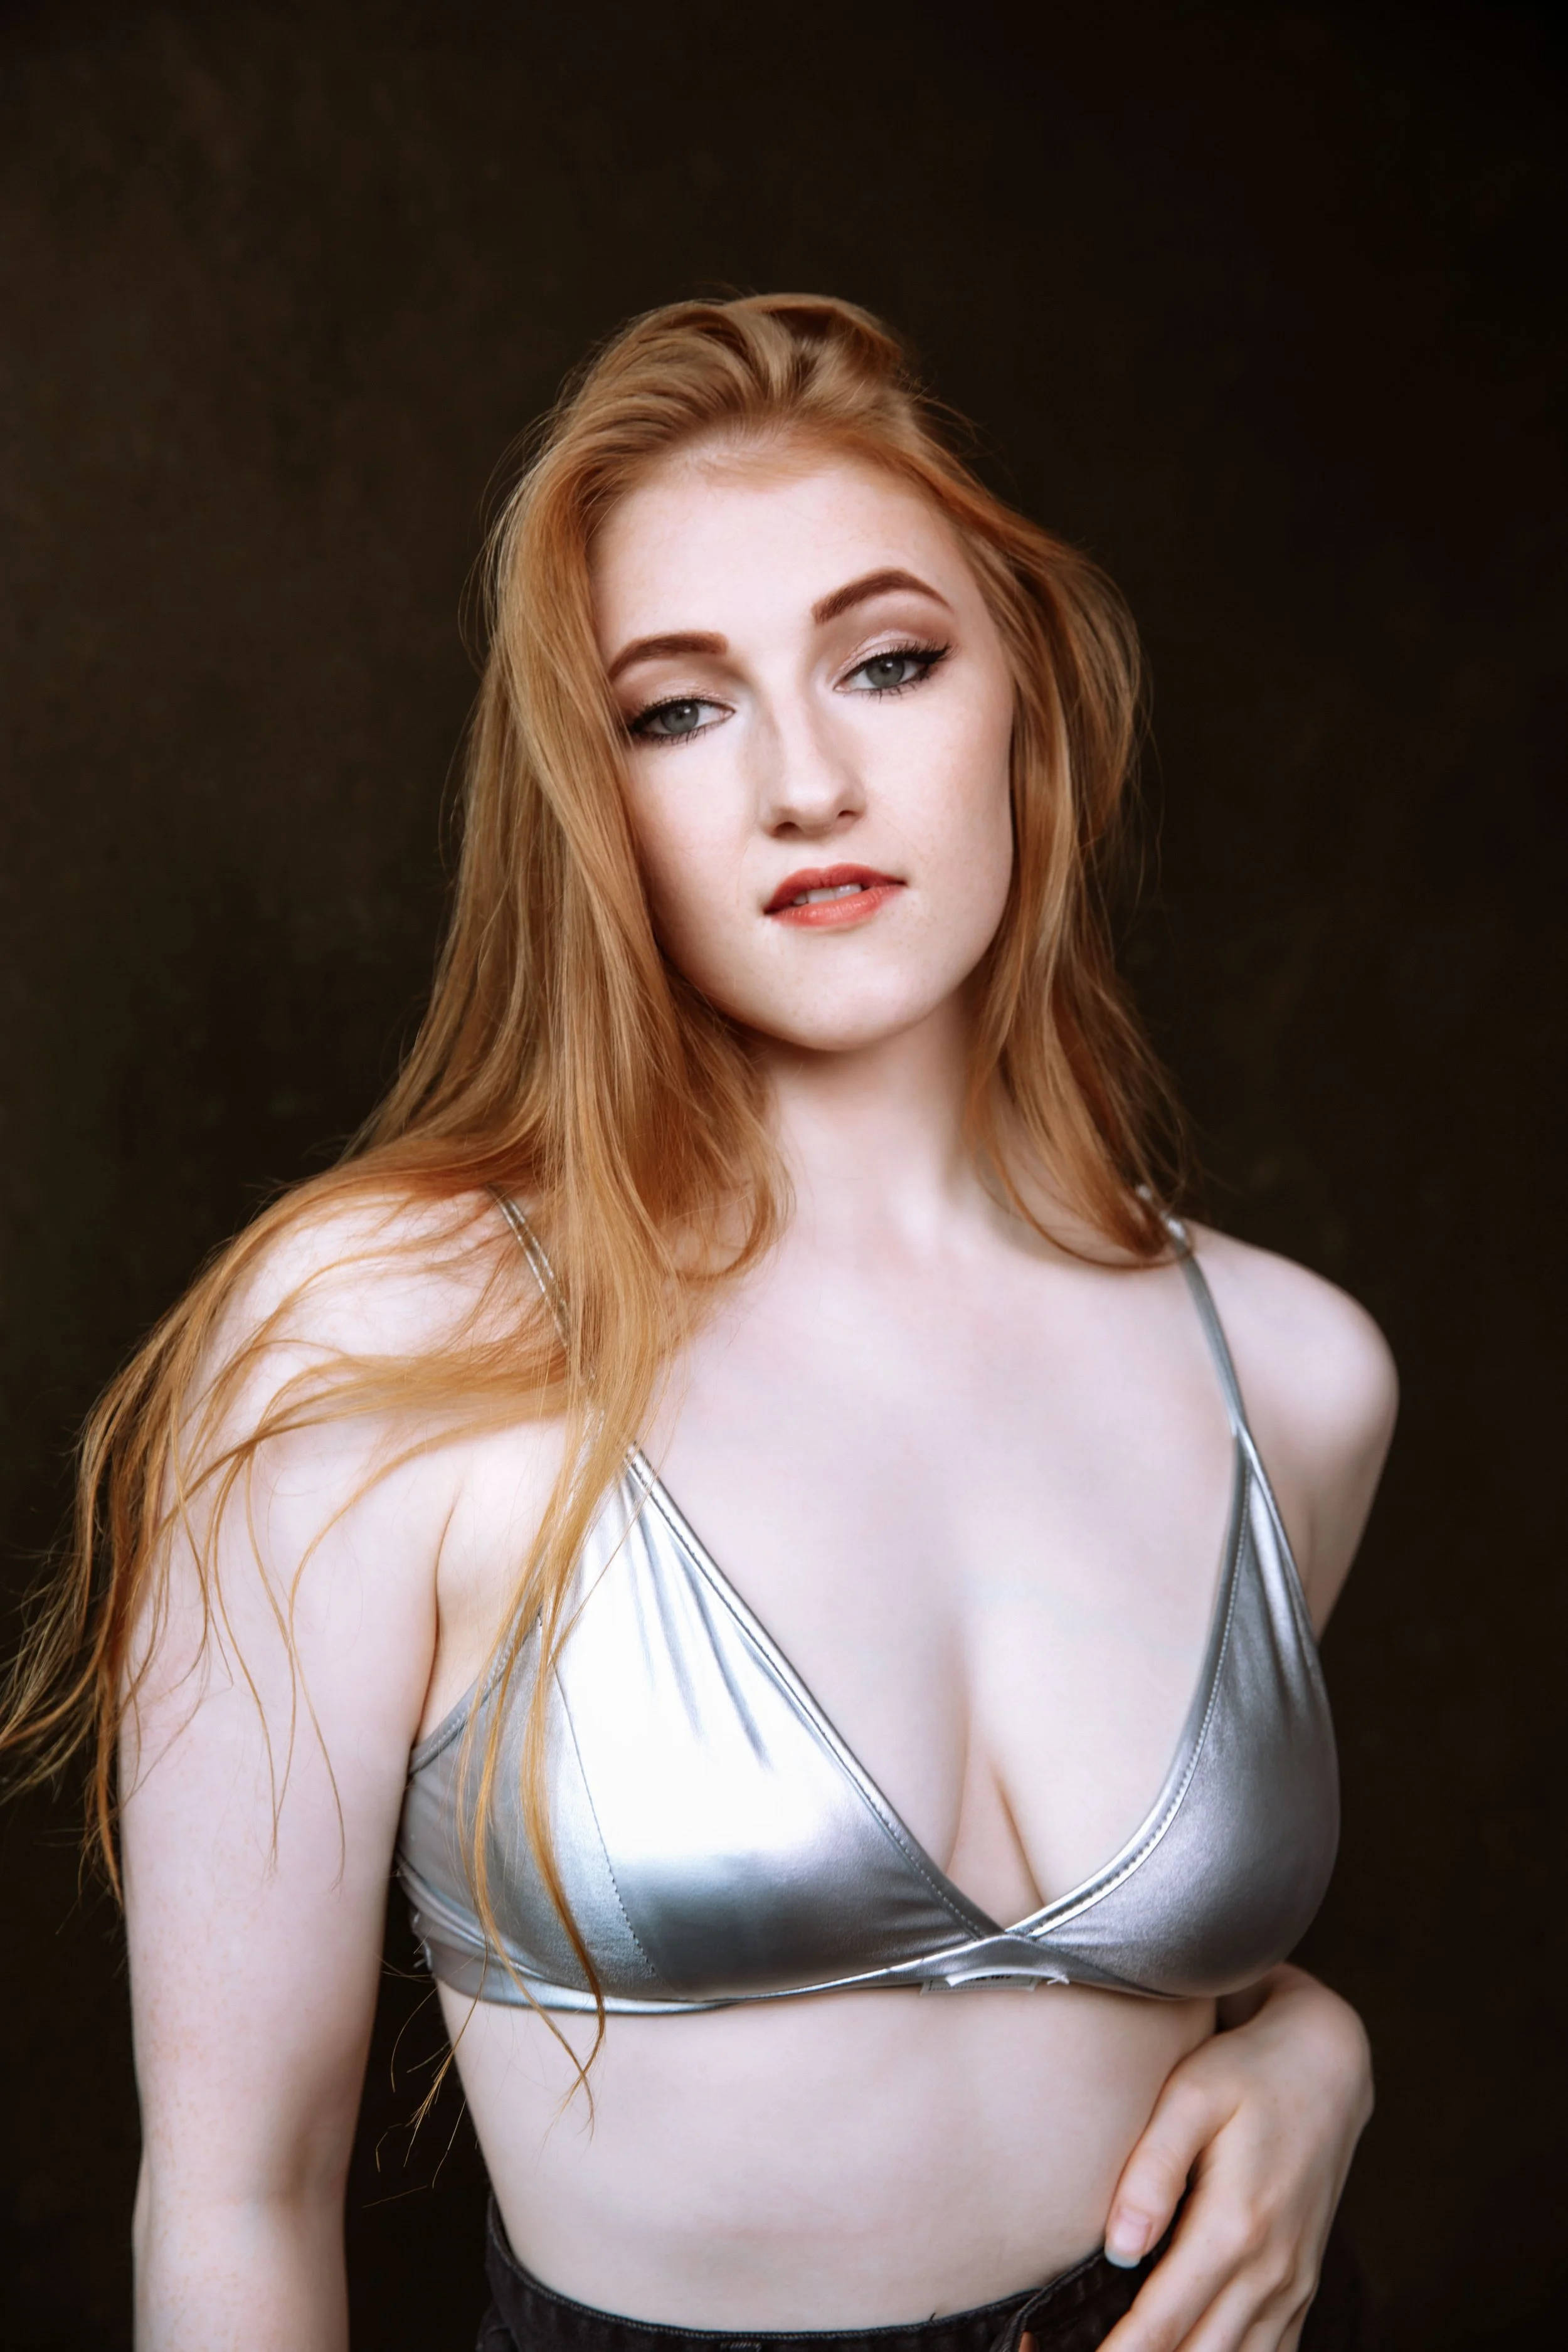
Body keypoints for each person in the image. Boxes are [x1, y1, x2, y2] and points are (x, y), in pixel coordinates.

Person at [3, 295, 1395, 2352]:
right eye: (678, 708)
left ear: (1024, 698)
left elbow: (1124, 2006)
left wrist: (1312, 2046)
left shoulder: (1288, 1369)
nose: (808, 780)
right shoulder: (369, 1337)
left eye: (889, 661)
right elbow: (235, 2193)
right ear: (589, 797)